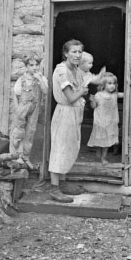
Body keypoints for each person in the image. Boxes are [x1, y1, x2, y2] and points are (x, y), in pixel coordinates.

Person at [48, 39, 88, 203]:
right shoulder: (62, 71)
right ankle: (54, 189)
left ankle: (62, 183)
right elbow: (71, 97)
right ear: (66, 53)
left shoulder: (76, 69)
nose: (77, 55)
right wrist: (82, 91)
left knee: (70, 148)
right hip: (64, 113)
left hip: (74, 114)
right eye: (74, 52)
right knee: (60, 149)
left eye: (80, 52)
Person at [9, 55, 48, 169]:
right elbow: (16, 95)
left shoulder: (41, 79)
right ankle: (15, 156)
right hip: (22, 108)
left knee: (30, 131)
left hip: (34, 108)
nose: (34, 67)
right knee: (18, 131)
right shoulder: (21, 79)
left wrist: (40, 78)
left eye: (37, 65)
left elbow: (45, 91)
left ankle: (25, 157)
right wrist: (17, 110)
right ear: (26, 66)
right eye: (31, 65)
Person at [87, 72, 123, 165]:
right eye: (109, 83)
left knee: (107, 143)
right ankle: (98, 152)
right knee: (100, 140)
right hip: (101, 121)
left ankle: (103, 158)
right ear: (103, 85)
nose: (112, 86)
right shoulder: (99, 95)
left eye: (114, 83)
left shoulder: (115, 95)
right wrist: (92, 100)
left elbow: (125, 94)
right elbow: (94, 106)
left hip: (111, 122)